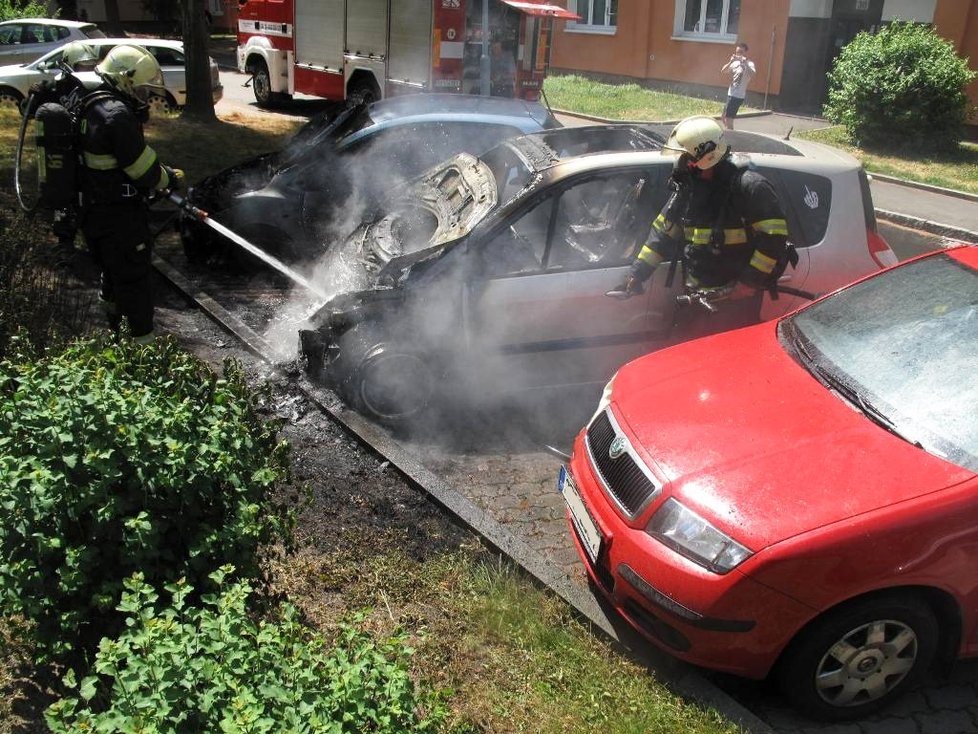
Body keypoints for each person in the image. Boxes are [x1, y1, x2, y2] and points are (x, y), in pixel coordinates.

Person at [610, 115, 790, 340]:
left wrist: (747, 283)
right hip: (697, 297)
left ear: (706, 157)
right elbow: (663, 233)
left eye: (686, 157)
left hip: (736, 304)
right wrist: (637, 274)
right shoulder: (689, 189)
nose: (682, 164)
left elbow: (774, 239)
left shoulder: (750, 188)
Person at [77, 44, 184, 343]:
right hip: (120, 220)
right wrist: (169, 178)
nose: (143, 97)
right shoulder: (117, 115)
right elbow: (142, 169)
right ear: (125, 78)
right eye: (140, 89)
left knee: (111, 277)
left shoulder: (92, 104)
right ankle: (144, 356)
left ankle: (114, 333)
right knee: (135, 285)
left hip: (95, 214)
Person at [25, 40, 101, 259]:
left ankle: (94, 242)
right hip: (62, 154)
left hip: (89, 151)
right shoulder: (56, 88)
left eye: (89, 66)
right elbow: (31, 113)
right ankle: (64, 242)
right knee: (64, 198)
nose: (86, 71)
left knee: (91, 198)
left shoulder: (96, 87)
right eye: (82, 66)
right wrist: (36, 96)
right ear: (69, 66)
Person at [720, 42, 756, 130]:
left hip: (737, 96)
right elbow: (723, 71)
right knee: (723, 117)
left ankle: (730, 138)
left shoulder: (749, 63)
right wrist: (730, 61)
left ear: (745, 53)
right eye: (737, 52)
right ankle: (729, 133)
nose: (738, 54)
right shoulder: (734, 63)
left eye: (741, 52)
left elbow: (753, 74)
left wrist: (745, 63)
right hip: (731, 93)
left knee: (729, 119)